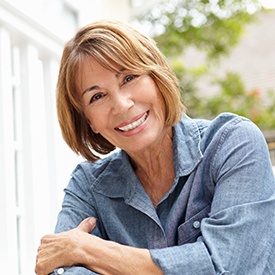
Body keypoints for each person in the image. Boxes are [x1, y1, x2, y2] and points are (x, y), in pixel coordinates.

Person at [35, 20, 275, 275]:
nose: (122, 104)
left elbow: (227, 266)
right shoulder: (88, 186)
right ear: (88, 121)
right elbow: (59, 270)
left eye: (129, 77)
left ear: (157, 77)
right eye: (97, 96)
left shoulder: (232, 143)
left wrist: (88, 250)